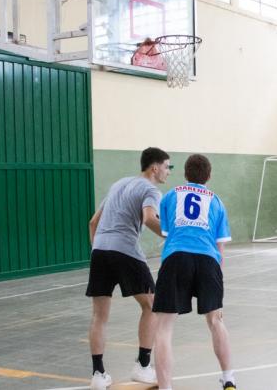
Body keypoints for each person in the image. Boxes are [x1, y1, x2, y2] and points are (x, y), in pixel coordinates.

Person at [86, 147, 171, 389]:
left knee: (99, 315)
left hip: (99, 251)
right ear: (154, 167)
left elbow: (93, 222)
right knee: (152, 305)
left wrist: (98, 249)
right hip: (125, 249)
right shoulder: (151, 190)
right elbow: (149, 218)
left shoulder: (119, 184)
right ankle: (142, 366)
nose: (168, 171)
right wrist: (173, 236)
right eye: (167, 167)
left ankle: (98, 375)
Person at [153, 154, 236, 390]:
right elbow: (220, 249)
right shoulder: (217, 202)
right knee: (216, 320)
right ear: (209, 176)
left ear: (185, 174)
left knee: (164, 327)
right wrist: (217, 283)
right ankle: (229, 379)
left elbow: (167, 232)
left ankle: (165, 387)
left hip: (176, 257)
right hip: (208, 260)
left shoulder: (170, 196)